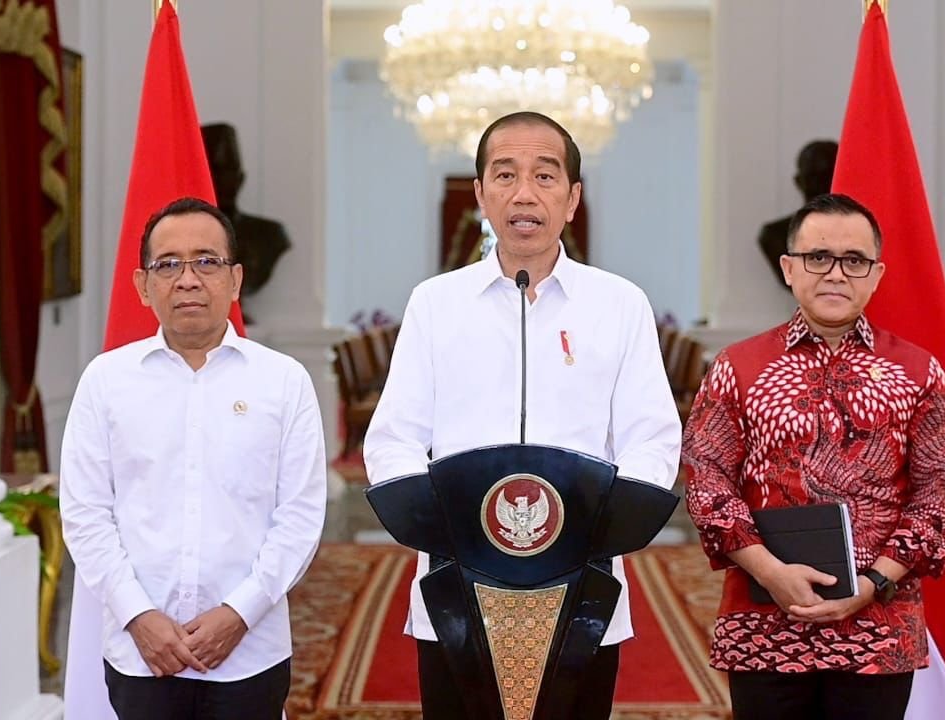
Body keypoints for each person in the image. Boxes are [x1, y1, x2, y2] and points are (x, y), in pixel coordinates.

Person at [363, 111, 681, 719]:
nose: (525, 193)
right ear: (481, 193)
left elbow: (653, 441)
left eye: (545, 175)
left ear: (573, 196)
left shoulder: (619, 305)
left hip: (581, 586)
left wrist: (600, 522)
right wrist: (444, 522)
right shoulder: (435, 304)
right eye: (504, 175)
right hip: (458, 582)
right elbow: (394, 440)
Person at [681, 193, 945, 720]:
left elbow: (937, 496)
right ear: (789, 268)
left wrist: (874, 581)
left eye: (854, 261)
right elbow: (706, 479)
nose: (836, 273)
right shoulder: (737, 368)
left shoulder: (920, 372)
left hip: (879, 625)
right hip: (765, 620)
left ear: (877, 274)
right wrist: (769, 570)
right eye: (818, 258)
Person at [60, 197, 327, 719]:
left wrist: (238, 613)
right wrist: (139, 616)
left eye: (207, 261)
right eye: (168, 265)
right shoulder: (106, 382)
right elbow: (86, 513)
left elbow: (299, 518)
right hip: (142, 653)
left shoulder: (283, 382)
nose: (188, 279)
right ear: (143, 285)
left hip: (250, 652)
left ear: (235, 279)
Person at [201, 123, 292, 318]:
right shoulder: (181, 238)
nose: (222, 181)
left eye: (228, 172)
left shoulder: (270, 235)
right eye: (215, 172)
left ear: (240, 178)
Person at [757, 140, 838, 287]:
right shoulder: (775, 236)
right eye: (813, 177)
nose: (819, 185)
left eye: (826, 176)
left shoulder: (864, 234)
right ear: (799, 181)